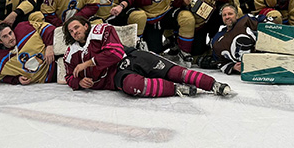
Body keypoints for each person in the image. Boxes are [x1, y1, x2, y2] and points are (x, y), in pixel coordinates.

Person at [62, 17, 233, 98]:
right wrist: (79, 83)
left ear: (85, 25)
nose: (75, 32)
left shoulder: (101, 30)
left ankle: (214, 85)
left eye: (77, 27)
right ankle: (175, 89)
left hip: (131, 56)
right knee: (132, 86)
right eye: (71, 31)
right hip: (115, 78)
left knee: (174, 71)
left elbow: (115, 53)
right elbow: (69, 77)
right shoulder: (71, 54)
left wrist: (87, 64)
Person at [0, 21, 57, 85]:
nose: (10, 38)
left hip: (57, 59)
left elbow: (47, 27)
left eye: (10, 33)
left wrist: (49, 45)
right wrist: (17, 79)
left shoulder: (24, 28)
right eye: (5, 36)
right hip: (49, 77)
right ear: (0, 41)